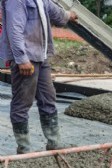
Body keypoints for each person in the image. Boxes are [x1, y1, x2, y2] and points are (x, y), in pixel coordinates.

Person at [0, 0, 77, 154]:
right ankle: (24, 149)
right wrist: (22, 59)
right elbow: (14, 30)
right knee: (22, 103)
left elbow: (55, 12)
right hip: (26, 59)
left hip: (41, 56)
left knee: (48, 98)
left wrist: (69, 15)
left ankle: (54, 142)